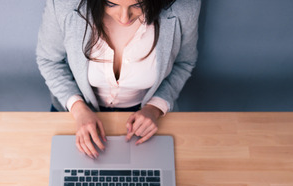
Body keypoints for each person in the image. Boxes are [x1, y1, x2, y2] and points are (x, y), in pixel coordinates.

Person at [37, 0, 200, 159]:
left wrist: (155, 107)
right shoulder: (63, 4)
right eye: (111, 4)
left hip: (145, 116)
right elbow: (49, 60)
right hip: (75, 112)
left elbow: (184, 63)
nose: (124, 18)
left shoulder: (184, 7)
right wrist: (78, 109)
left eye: (138, 5)